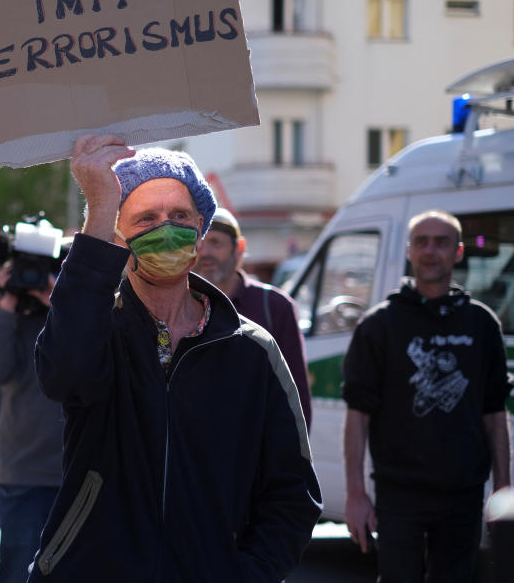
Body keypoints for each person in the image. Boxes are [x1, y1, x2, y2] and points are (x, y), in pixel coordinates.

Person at [29, 136, 321, 581]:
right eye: (146, 217)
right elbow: (63, 375)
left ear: (201, 229)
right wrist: (98, 213)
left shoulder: (252, 350)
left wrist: (248, 574)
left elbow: (292, 490)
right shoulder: (97, 332)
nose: (166, 228)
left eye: (180, 216)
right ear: (118, 237)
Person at [342, 209, 512, 582]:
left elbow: (495, 411)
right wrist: (355, 495)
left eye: (441, 242)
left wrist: (503, 489)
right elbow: (357, 415)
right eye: (421, 242)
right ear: (409, 251)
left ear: (459, 252)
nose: (430, 251)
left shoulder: (482, 324)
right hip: (399, 492)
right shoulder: (379, 325)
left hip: (464, 494)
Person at [0, 263, 63, 583]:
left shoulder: (80, 315)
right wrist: (6, 304)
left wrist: (63, 303)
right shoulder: (13, 320)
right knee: (17, 574)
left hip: (78, 474)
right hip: (23, 472)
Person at [195, 207, 312, 428]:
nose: (205, 252)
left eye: (216, 243)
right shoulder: (182, 306)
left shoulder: (276, 307)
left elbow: (296, 393)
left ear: (239, 249)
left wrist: (291, 457)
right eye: (199, 243)